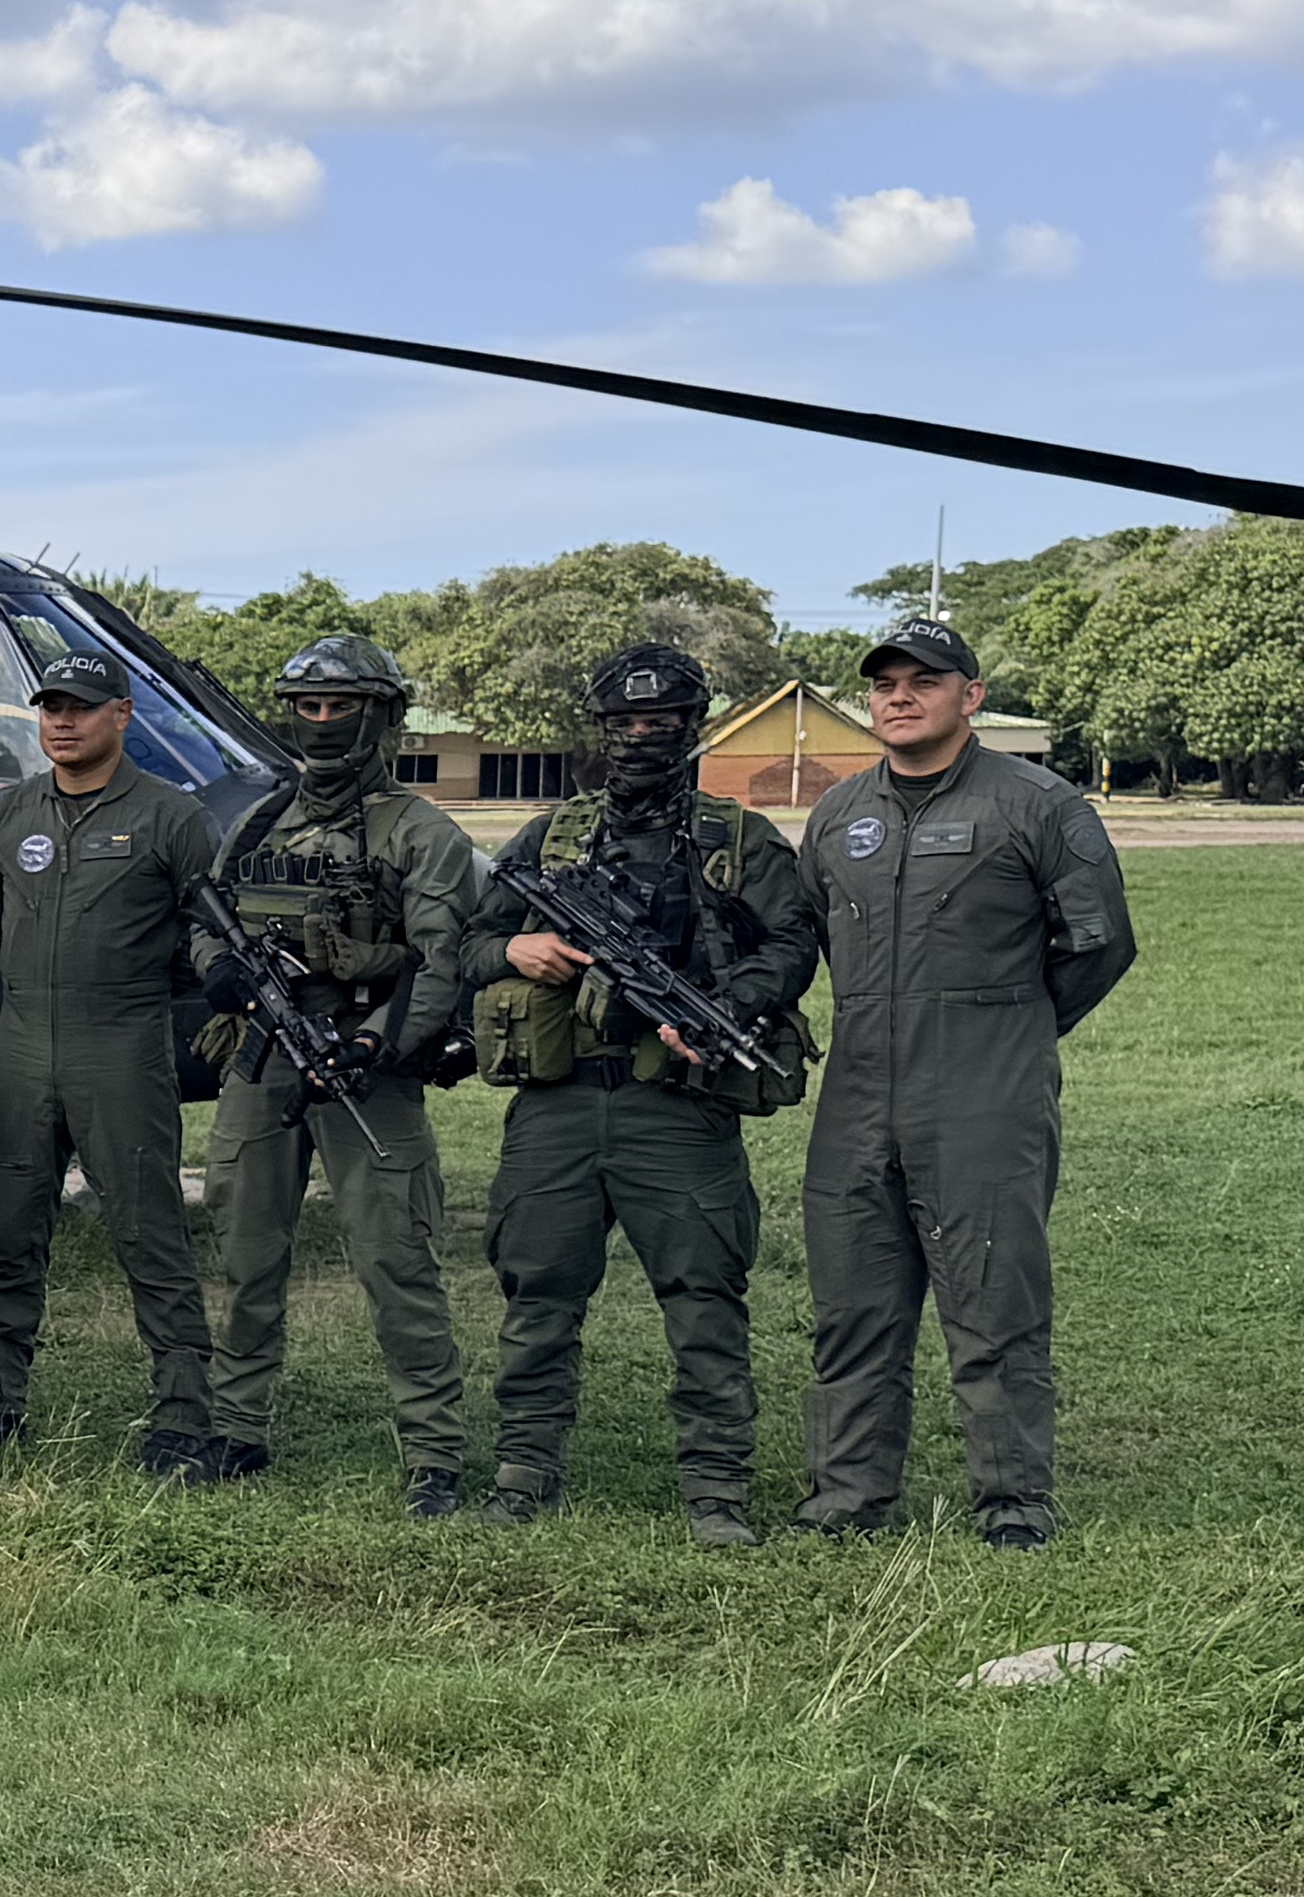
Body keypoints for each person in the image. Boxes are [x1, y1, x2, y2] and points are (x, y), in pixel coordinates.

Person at [461, 643, 826, 1547]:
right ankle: (524, 1472)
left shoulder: (738, 839)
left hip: (679, 1105)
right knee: (538, 1291)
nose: (640, 737)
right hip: (560, 1101)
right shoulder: (551, 839)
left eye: (659, 721)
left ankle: (715, 1491)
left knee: (703, 1295)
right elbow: (470, 943)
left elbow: (790, 947)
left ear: (691, 727)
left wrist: (725, 1006)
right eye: (624, 722)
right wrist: (519, 953)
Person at [795, 613, 1134, 1549]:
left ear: (970, 696)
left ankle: (1014, 1504)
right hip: (858, 1100)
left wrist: (1008, 1030)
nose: (898, 698)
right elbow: (807, 937)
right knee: (853, 1310)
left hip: (986, 1100)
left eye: (923, 682)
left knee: (994, 1309)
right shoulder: (839, 814)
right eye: (884, 685)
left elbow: (1100, 944)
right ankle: (846, 1502)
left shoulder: (1038, 804)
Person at [194, 630, 486, 1505]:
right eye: (308, 707)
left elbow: (441, 961)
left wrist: (376, 1047)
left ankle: (433, 1452)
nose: (322, 724)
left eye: (342, 707)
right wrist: (221, 973)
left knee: (396, 1259)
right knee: (246, 1253)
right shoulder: (255, 819)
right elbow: (212, 915)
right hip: (263, 1060)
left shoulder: (419, 832)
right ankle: (238, 1429)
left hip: (367, 1064)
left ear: (381, 716)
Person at [0, 633, 220, 1475]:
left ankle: (184, 1413)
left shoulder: (173, 817)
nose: (61, 724)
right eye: (50, 710)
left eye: (79, 709)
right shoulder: (5, 815)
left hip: (123, 1044)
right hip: (25, 1046)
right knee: (12, 1232)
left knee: (150, 1232)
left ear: (122, 715)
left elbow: (202, 937)